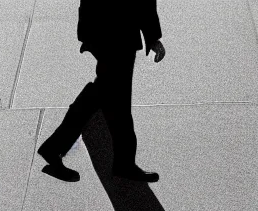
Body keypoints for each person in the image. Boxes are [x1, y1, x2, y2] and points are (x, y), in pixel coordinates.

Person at [38, 0, 166, 182]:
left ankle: (123, 163)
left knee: (108, 98)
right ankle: (55, 148)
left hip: (110, 32)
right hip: (116, 35)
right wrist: (153, 36)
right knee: (109, 99)